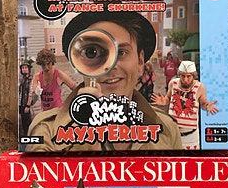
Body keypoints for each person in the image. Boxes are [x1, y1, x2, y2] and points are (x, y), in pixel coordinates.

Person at [26, 11, 181, 152]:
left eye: (121, 52)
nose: (109, 66)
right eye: (92, 52)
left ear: (140, 61)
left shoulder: (167, 129)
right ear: (79, 63)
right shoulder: (46, 130)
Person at [152, 60, 218, 150]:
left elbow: (203, 101)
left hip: (191, 136)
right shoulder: (173, 83)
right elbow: (168, 98)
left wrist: (207, 105)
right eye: (182, 76)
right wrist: (164, 101)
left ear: (193, 75)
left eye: (188, 76)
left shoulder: (199, 87)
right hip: (173, 133)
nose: (185, 79)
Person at [28, 49, 77, 113]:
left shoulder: (60, 75)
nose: (46, 67)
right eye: (43, 65)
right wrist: (36, 92)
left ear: (52, 62)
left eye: (48, 64)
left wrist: (69, 103)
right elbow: (33, 97)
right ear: (40, 64)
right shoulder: (37, 76)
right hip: (44, 112)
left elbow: (76, 89)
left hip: (57, 111)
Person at [18, 61, 33, 139]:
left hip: (26, 104)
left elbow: (31, 93)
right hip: (21, 103)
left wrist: (28, 105)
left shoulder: (30, 79)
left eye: (25, 68)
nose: (24, 69)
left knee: (27, 121)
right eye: (23, 68)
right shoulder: (22, 79)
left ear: (29, 69)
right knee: (23, 121)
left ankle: (28, 136)